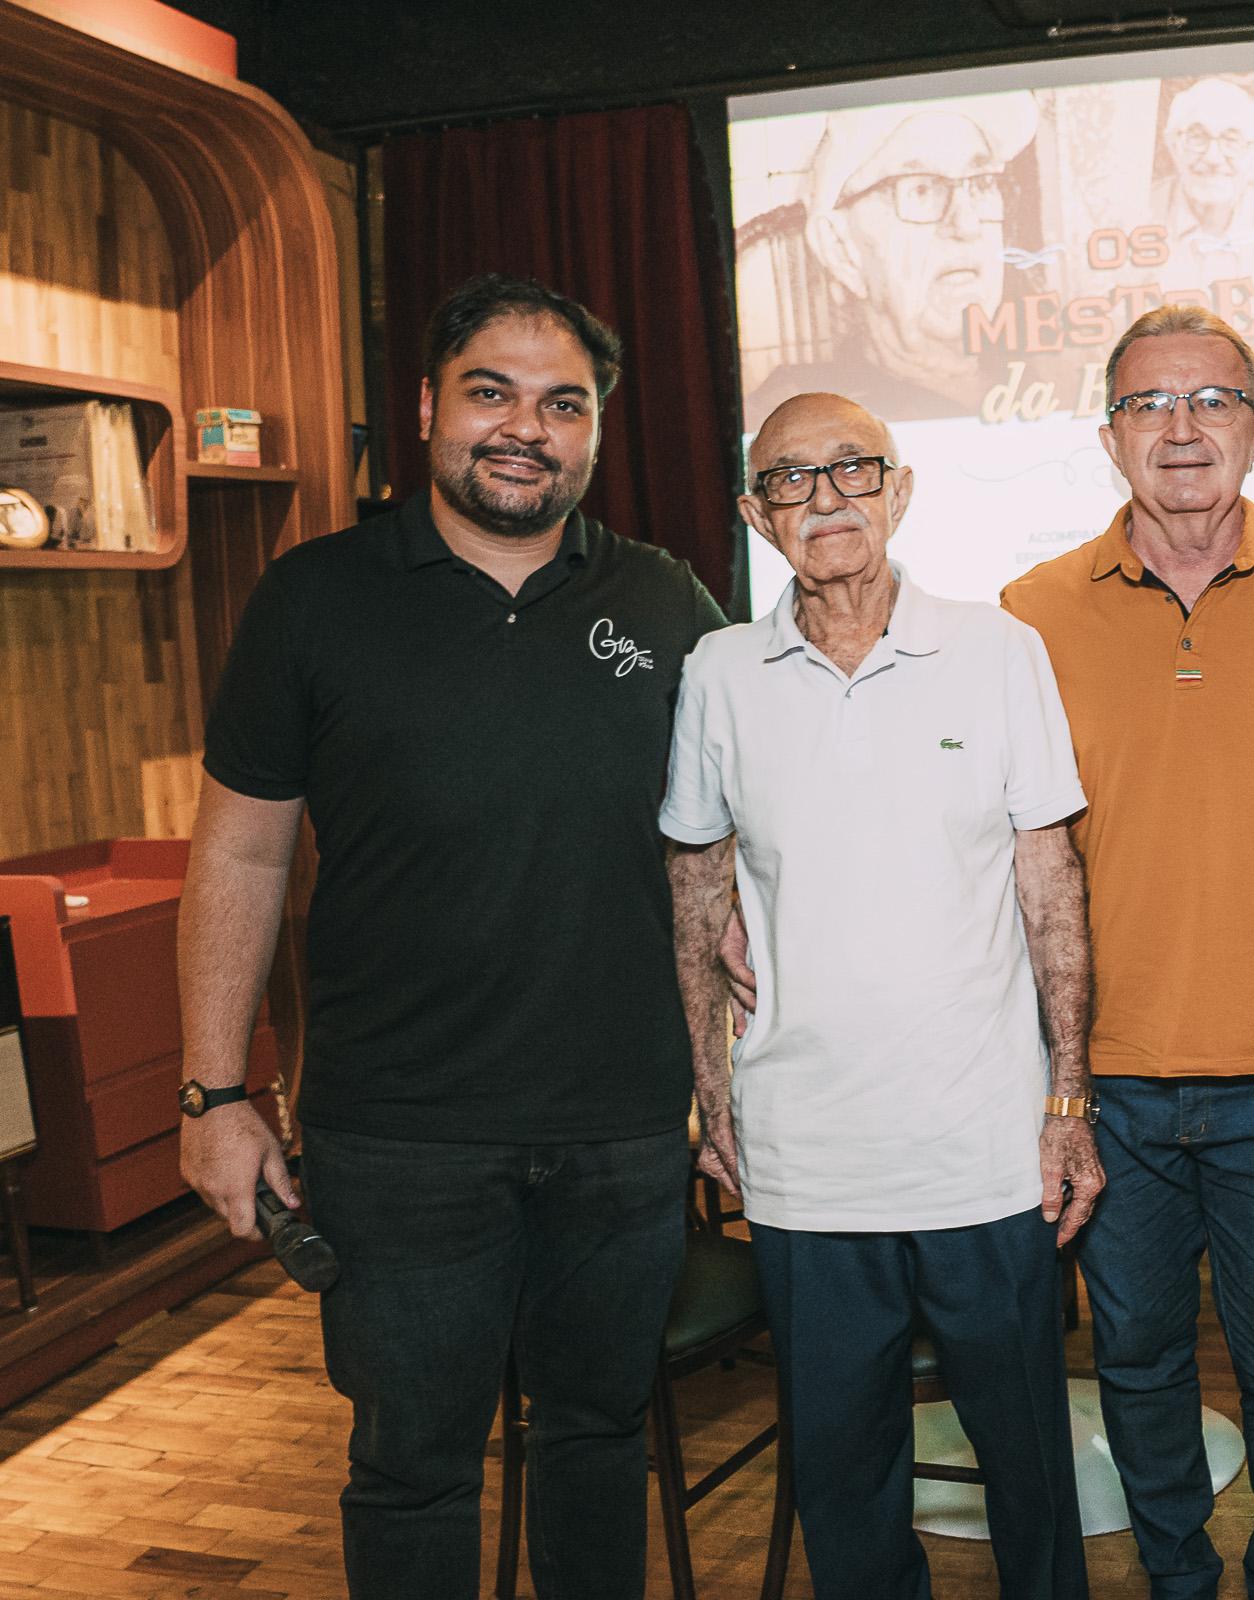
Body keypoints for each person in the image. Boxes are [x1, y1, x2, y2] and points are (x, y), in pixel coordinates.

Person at [178, 273, 728, 1600]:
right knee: (414, 1465)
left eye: (563, 403)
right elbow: (242, 852)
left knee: (597, 1442)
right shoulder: (313, 598)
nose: (524, 428)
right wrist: (211, 1091)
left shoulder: (667, 603)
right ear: (428, 405)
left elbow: (739, 838)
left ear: (596, 431)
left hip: (624, 1129)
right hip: (399, 1137)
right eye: (491, 391)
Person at [665, 390, 1098, 1600]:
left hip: (983, 1149)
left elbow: (1050, 882)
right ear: (758, 515)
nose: (826, 499)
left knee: (1027, 1469)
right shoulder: (717, 671)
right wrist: (713, 1091)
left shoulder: (998, 649)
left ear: (899, 489)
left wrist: (1071, 1098)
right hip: (807, 1156)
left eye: (852, 470)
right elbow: (698, 889)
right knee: (843, 1481)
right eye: (792, 482)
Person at [999, 306, 1254, 1600]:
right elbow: (1009, 862)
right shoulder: (1029, 613)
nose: (1182, 428)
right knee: (1143, 1366)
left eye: (1212, 401)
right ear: (1108, 436)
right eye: (1150, 404)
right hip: (1109, 1089)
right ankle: (1176, 1580)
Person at [744, 93, 1036, 426]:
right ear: (839, 248)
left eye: (983, 183)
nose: (967, 225)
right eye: (922, 189)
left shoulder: (1049, 380)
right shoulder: (794, 418)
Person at [1149, 78, 1254, 305]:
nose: (1213, 158)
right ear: (1173, 145)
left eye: (1232, 140)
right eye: (1197, 137)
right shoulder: (1134, 218)